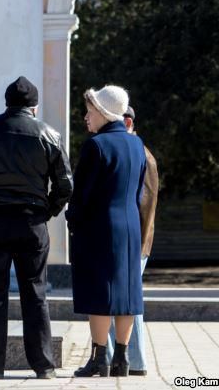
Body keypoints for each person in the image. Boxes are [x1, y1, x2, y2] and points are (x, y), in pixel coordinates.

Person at [0, 76, 73, 381]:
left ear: (7, 103)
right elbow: (65, 184)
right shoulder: (49, 134)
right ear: (33, 107)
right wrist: (46, 210)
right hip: (32, 221)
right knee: (35, 293)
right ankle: (43, 365)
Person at [66, 85, 146, 378]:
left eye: (89, 112)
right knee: (126, 292)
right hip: (130, 225)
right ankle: (122, 359)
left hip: (99, 226)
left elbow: (81, 195)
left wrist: (72, 220)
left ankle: (100, 358)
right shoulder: (137, 145)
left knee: (99, 290)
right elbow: (138, 192)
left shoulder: (95, 146)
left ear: (103, 112)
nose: (86, 118)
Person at [106, 105, 159, 376]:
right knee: (121, 300)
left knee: (128, 302)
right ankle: (115, 357)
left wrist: (132, 245)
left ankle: (135, 361)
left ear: (126, 122)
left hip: (133, 243)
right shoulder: (134, 152)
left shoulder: (141, 156)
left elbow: (144, 207)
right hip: (130, 241)